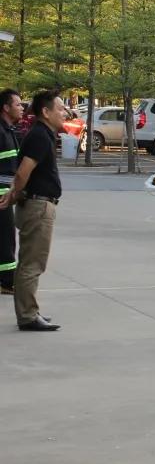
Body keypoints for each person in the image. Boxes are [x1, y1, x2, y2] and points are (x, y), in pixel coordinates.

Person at [1, 90, 65, 331]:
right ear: (46, 112)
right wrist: (14, 195)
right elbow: (23, 172)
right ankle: (27, 316)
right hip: (38, 205)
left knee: (33, 262)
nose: (64, 112)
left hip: (39, 203)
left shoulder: (43, 134)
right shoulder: (39, 136)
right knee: (32, 263)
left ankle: (30, 311)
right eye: (59, 108)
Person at [0, 89, 23, 295]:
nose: (22, 108)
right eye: (17, 104)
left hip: (6, 194)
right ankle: (7, 282)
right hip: (1, 196)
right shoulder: (1, 132)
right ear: (6, 108)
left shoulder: (9, 130)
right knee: (5, 238)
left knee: (6, 237)